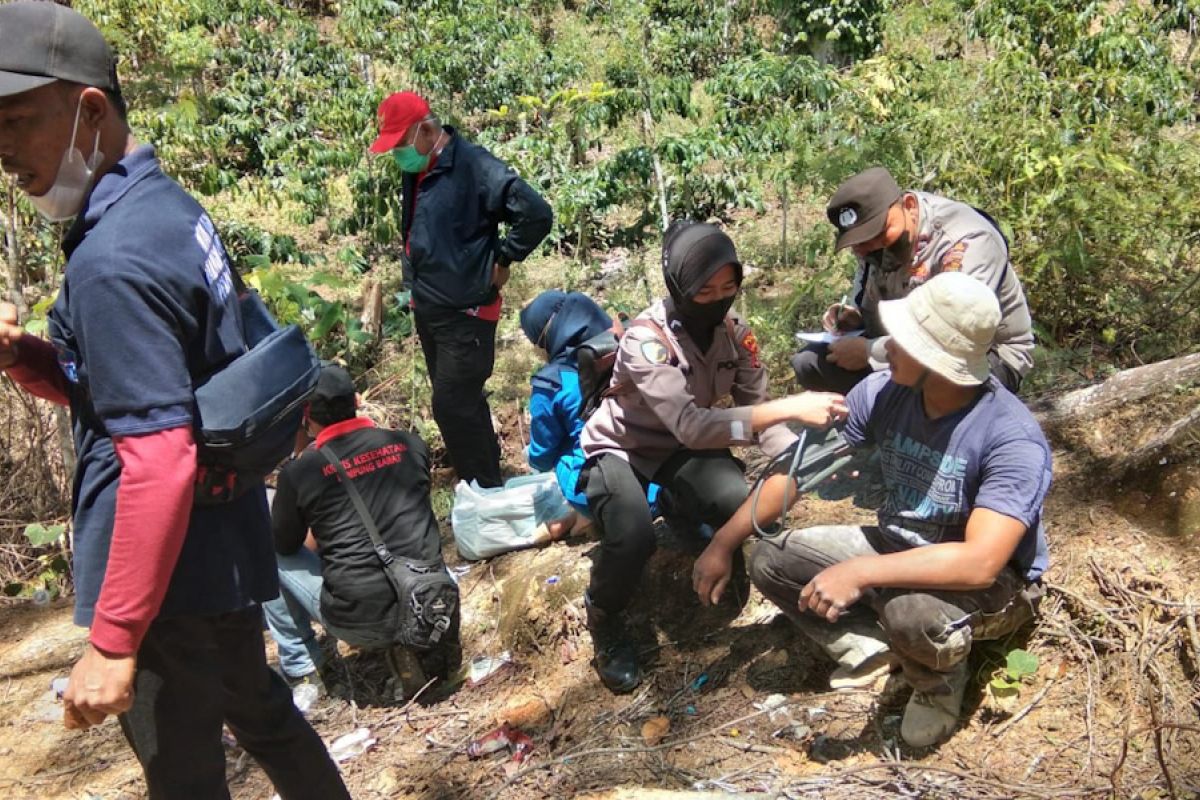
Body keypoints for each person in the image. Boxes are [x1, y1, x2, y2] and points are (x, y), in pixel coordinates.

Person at [0, 4, 349, 797]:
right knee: (264, 714)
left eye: (18, 120)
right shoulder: (164, 210)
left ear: (88, 108)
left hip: (165, 574)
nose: (4, 151)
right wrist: (27, 358)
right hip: (218, 543)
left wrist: (116, 639)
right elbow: (151, 384)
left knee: (184, 775)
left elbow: (158, 454)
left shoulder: (111, 260)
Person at [696, 272, 1051, 748]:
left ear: (939, 360)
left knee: (913, 613)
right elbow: (799, 472)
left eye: (903, 342)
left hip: (991, 585)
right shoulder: (884, 392)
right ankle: (873, 647)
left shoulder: (1011, 438)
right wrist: (723, 542)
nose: (886, 348)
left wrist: (861, 572)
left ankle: (936, 682)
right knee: (771, 557)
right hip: (899, 543)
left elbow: (981, 563)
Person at [579, 221, 849, 693]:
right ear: (679, 285)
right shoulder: (647, 342)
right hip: (624, 446)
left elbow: (768, 425)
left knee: (733, 498)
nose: (720, 298)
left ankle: (683, 509)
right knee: (631, 532)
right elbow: (693, 423)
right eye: (706, 289)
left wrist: (801, 468)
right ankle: (605, 616)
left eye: (730, 287)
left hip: (682, 450)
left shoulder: (734, 334)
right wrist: (789, 406)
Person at [370, 91, 553, 488]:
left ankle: (483, 487)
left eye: (402, 144)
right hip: (431, 306)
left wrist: (504, 259)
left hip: (466, 312)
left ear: (429, 130)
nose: (399, 154)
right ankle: (481, 480)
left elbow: (536, 214)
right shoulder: (418, 168)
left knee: (452, 403)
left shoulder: (475, 167)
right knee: (459, 403)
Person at [265, 365, 460, 701]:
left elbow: (284, 544)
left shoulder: (300, 473)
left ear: (305, 416)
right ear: (357, 400)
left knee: (264, 551)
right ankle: (416, 645)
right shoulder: (409, 444)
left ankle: (302, 667)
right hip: (431, 599)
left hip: (361, 622)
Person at [792, 166, 1034, 395]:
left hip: (980, 356)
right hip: (902, 348)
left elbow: (954, 339)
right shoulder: (872, 246)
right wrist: (856, 317)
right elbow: (876, 300)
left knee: (907, 392)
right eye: (859, 242)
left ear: (908, 205)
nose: (868, 248)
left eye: (878, 233)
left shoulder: (966, 239)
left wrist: (868, 352)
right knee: (809, 363)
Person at [519, 289, 617, 515]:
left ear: (544, 340)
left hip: (606, 489)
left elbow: (542, 456)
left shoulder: (551, 384)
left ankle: (597, 515)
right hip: (658, 469)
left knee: (563, 451)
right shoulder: (625, 345)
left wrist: (531, 456)